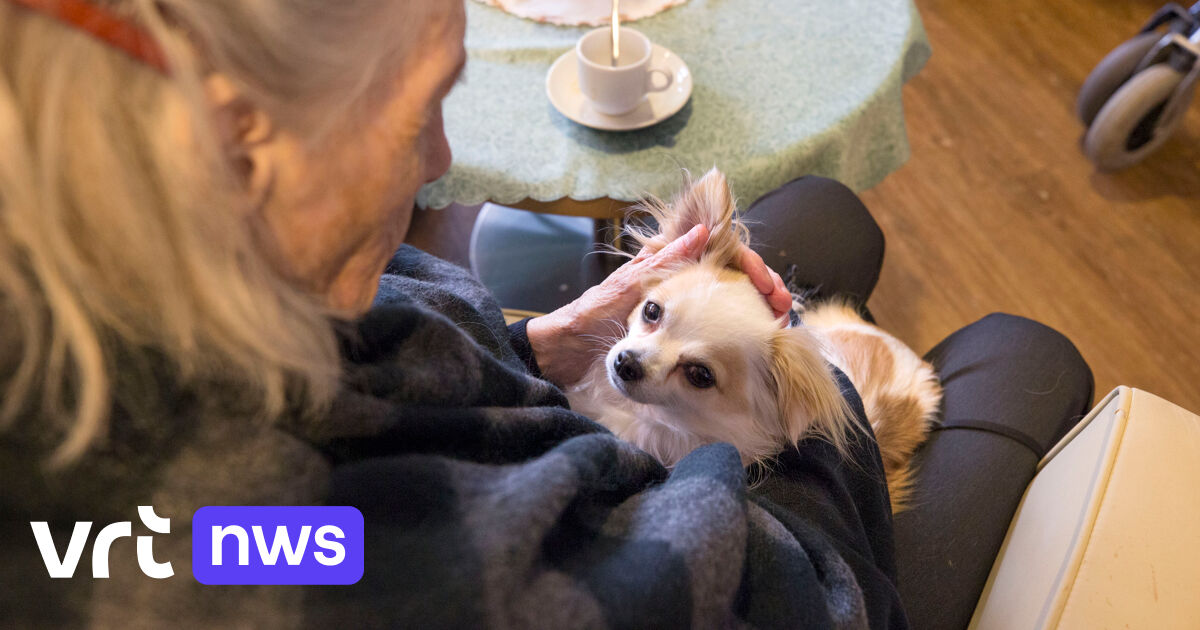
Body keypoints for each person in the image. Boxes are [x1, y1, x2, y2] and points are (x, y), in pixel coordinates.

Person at [0, 1, 1093, 628]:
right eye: (423, 105)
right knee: (1022, 351)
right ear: (241, 146)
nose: (439, 164)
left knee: (825, 216)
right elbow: (810, 599)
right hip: (785, 571)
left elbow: (360, 393)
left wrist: (537, 344)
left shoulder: (129, 273)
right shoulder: (280, 547)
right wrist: (813, 417)